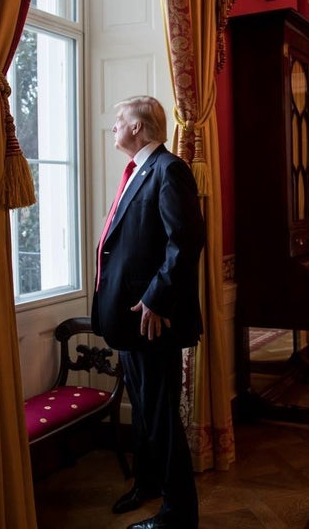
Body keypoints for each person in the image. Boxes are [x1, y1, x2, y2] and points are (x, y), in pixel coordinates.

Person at [91, 95, 205, 529]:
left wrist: (157, 297)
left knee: (159, 414)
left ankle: (179, 514)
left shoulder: (168, 169)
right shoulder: (139, 170)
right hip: (130, 319)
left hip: (151, 318)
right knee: (143, 410)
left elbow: (187, 240)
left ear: (138, 128)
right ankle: (148, 483)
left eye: (119, 121)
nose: (114, 127)